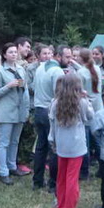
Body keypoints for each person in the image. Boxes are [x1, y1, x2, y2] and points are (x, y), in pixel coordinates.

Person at [48, 74, 94, 208]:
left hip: (61, 144)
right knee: (72, 180)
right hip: (76, 145)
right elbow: (90, 117)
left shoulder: (55, 102)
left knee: (61, 177)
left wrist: (52, 140)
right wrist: (87, 100)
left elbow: (52, 123)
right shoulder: (81, 102)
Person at [32, 45, 72, 192]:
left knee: (41, 147)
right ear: (58, 56)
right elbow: (60, 95)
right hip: (49, 112)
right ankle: (53, 183)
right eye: (67, 57)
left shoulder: (40, 67)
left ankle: (37, 180)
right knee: (54, 148)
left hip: (38, 110)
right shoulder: (57, 71)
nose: (70, 60)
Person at [0, 42, 30, 185]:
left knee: (15, 141)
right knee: (3, 143)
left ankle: (12, 166)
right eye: (10, 52)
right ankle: (3, 172)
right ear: (4, 55)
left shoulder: (21, 69)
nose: (14, 54)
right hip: (6, 112)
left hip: (20, 111)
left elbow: (25, 90)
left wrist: (26, 109)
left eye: (15, 52)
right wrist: (8, 86)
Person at [77, 48, 103, 178]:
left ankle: (84, 171)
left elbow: (79, 91)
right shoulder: (97, 68)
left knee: (85, 141)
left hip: (87, 108)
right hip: (98, 107)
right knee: (97, 139)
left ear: (81, 58)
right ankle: (103, 167)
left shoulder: (80, 73)